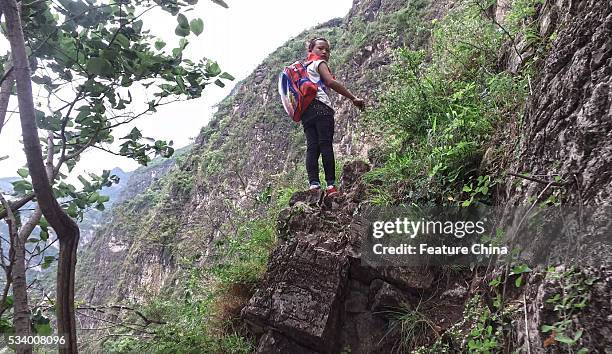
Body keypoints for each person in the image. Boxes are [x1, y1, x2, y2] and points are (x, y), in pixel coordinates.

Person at [301, 37, 365, 196]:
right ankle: (331, 186)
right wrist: (353, 98)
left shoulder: (302, 69)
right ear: (311, 50)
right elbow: (329, 82)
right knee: (325, 145)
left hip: (305, 112)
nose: (324, 52)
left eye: (327, 50)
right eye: (320, 48)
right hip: (321, 108)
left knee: (312, 147)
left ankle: (314, 186)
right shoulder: (318, 63)